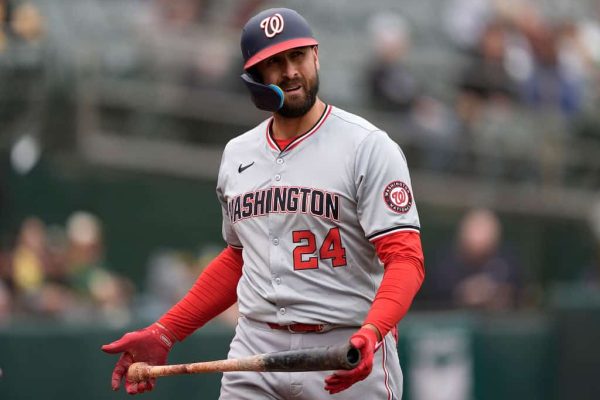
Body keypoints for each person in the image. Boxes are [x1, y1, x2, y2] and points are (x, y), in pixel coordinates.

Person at [102, 8, 425, 399]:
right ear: (254, 78)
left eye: (298, 56)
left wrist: (373, 331)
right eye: (274, 63)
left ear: (316, 56)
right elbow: (239, 259)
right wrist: (166, 331)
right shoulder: (238, 154)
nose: (290, 71)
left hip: (344, 343)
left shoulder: (367, 147)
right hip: (256, 344)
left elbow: (406, 260)